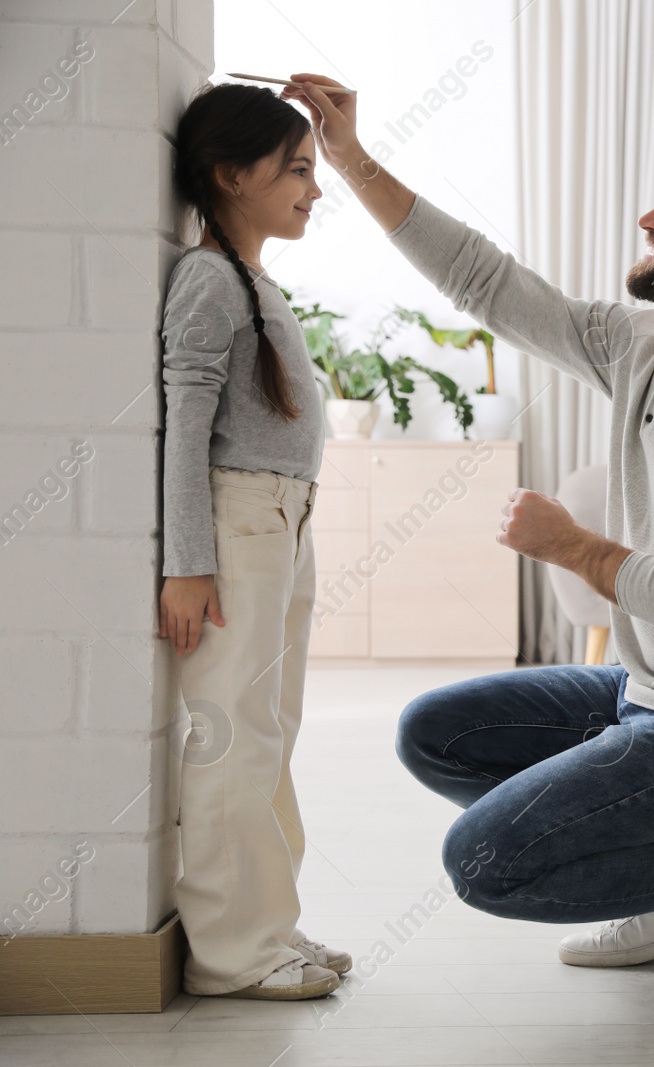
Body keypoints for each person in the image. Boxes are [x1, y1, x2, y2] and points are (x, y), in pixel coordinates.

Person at [281, 72, 654, 997]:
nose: (650, 217)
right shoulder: (645, 346)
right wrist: (348, 156)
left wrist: (576, 548)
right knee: (437, 734)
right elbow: (485, 278)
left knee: (487, 862)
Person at [159, 83, 349, 1001]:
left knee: (270, 727)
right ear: (231, 175)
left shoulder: (248, 276)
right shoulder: (205, 279)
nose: (315, 188)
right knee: (234, 733)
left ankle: (269, 925)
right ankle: (233, 952)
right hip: (239, 525)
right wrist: (187, 563)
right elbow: (185, 425)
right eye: (297, 169)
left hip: (280, 521)